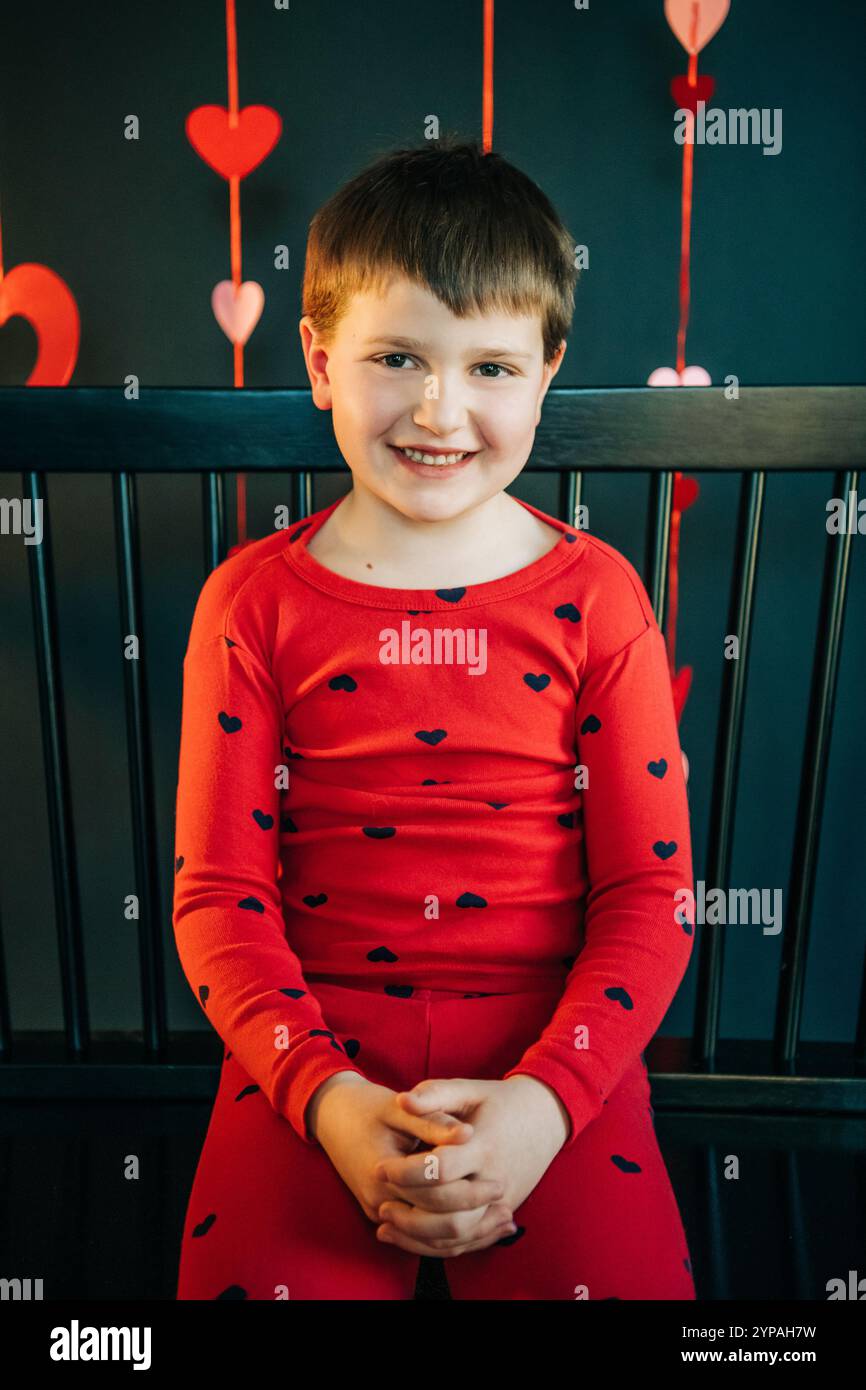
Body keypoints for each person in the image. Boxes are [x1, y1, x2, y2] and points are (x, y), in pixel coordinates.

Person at [172, 136, 696, 1300]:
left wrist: (547, 1101)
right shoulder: (250, 603)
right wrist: (328, 1098)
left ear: (548, 370)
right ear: (318, 361)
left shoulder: (598, 597)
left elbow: (650, 893)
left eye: (491, 369)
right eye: (396, 356)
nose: (438, 409)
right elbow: (218, 894)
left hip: (557, 1049)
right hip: (306, 1048)